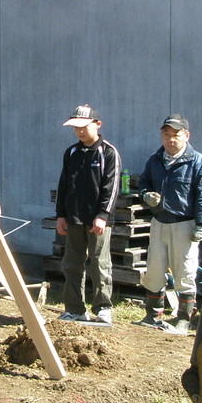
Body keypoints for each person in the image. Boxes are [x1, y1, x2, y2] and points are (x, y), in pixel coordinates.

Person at [138, 114, 202, 333]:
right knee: (154, 269)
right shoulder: (155, 160)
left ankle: (184, 318)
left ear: (186, 136)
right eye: (167, 135)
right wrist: (145, 196)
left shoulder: (198, 162)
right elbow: (144, 183)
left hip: (185, 225)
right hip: (159, 222)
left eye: (176, 135)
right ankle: (152, 314)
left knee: (185, 271)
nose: (171, 140)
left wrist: (201, 224)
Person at [55, 104, 121, 325]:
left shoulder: (108, 152)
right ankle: (74, 309)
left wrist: (102, 215)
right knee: (71, 263)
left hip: (98, 221)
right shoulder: (71, 152)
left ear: (97, 124)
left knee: (100, 263)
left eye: (84, 126)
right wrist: (61, 215)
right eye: (76, 128)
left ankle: (103, 308)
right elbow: (64, 185)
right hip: (73, 218)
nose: (80, 131)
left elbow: (111, 188)